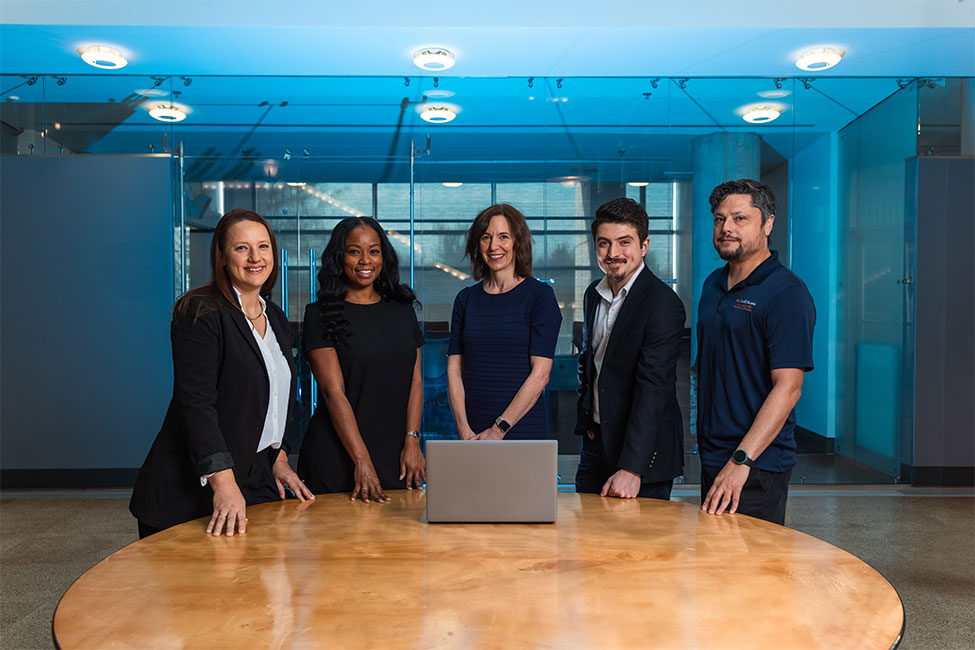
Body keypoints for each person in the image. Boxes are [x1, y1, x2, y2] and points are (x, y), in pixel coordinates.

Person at [130, 209, 314, 538]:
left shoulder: (274, 315)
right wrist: (224, 482)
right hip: (195, 487)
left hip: (255, 476)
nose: (255, 257)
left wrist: (279, 455)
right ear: (222, 256)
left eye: (263, 246)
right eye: (242, 248)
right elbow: (196, 402)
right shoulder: (201, 310)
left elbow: (276, 397)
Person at [698, 179, 815, 525]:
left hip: (756, 464)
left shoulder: (787, 294)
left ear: (768, 224)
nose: (726, 228)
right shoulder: (712, 285)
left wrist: (741, 461)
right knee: (716, 564)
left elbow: (789, 387)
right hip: (713, 454)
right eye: (720, 219)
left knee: (752, 572)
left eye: (739, 219)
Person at [297, 217, 425, 503]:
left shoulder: (403, 311)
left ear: (384, 256)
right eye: (354, 251)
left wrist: (412, 439)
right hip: (340, 455)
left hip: (398, 453)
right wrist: (362, 461)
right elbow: (333, 393)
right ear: (339, 257)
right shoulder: (320, 315)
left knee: (401, 546)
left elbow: (415, 380)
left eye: (374, 251)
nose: (365, 260)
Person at [574, 197, 686, 500]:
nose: (613, 253)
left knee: (639, 547)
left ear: (644, 246)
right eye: (604, 243)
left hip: (640, 453)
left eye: (624, 242)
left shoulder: (663, 304)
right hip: (596, 444)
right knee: (588, 541)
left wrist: (632, 468)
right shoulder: (592, 294)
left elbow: (655, 388)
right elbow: (592, 361)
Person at [447, 204, 562, 440]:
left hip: (522, 430)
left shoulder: (540, 296)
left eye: (503, 237)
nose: (493, 246)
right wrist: (464, 430)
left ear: (517, 242)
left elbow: (541, 374)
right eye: (486, 237)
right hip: (472, 432)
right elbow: (454, 370)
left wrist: (498, 430)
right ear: (477, 245)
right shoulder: (465, 299)